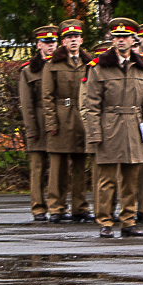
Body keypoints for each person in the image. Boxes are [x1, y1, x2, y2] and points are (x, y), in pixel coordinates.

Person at [80, 22, 143, 239]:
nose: (121, 40)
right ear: (112, 40)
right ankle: (104, 221)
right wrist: (94, 133)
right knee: (106, 181)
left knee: (131, 180)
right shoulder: (99, 68)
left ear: (134, 40)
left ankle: (128, 222)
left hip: (134, 127)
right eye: (117, 37)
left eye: (125, 37)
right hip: (109, 126)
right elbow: (91, 104)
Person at [40, 22, 93, 222]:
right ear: (63, 42)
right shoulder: (52, 64)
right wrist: (51, 123)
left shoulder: (89, 63)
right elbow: (47, 96)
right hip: (61, 118)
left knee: (80, 166)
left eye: (76, 37)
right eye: (69, 38)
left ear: (81, 40)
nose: (73, 41)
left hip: (81, 118)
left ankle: (80, 207)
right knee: (58, 167)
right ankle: (57, 207)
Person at [16, 26, 57, 223]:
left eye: (53, 43)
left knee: (59, 167)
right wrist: (31, 128)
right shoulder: (29, 70)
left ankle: (57, 206)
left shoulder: (61, 65)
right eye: (47, 43)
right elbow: (27, 103)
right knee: (39, 167)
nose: (51, 47)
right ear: (39, 45)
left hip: (59, 121)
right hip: (39, 123)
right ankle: (38, 207)